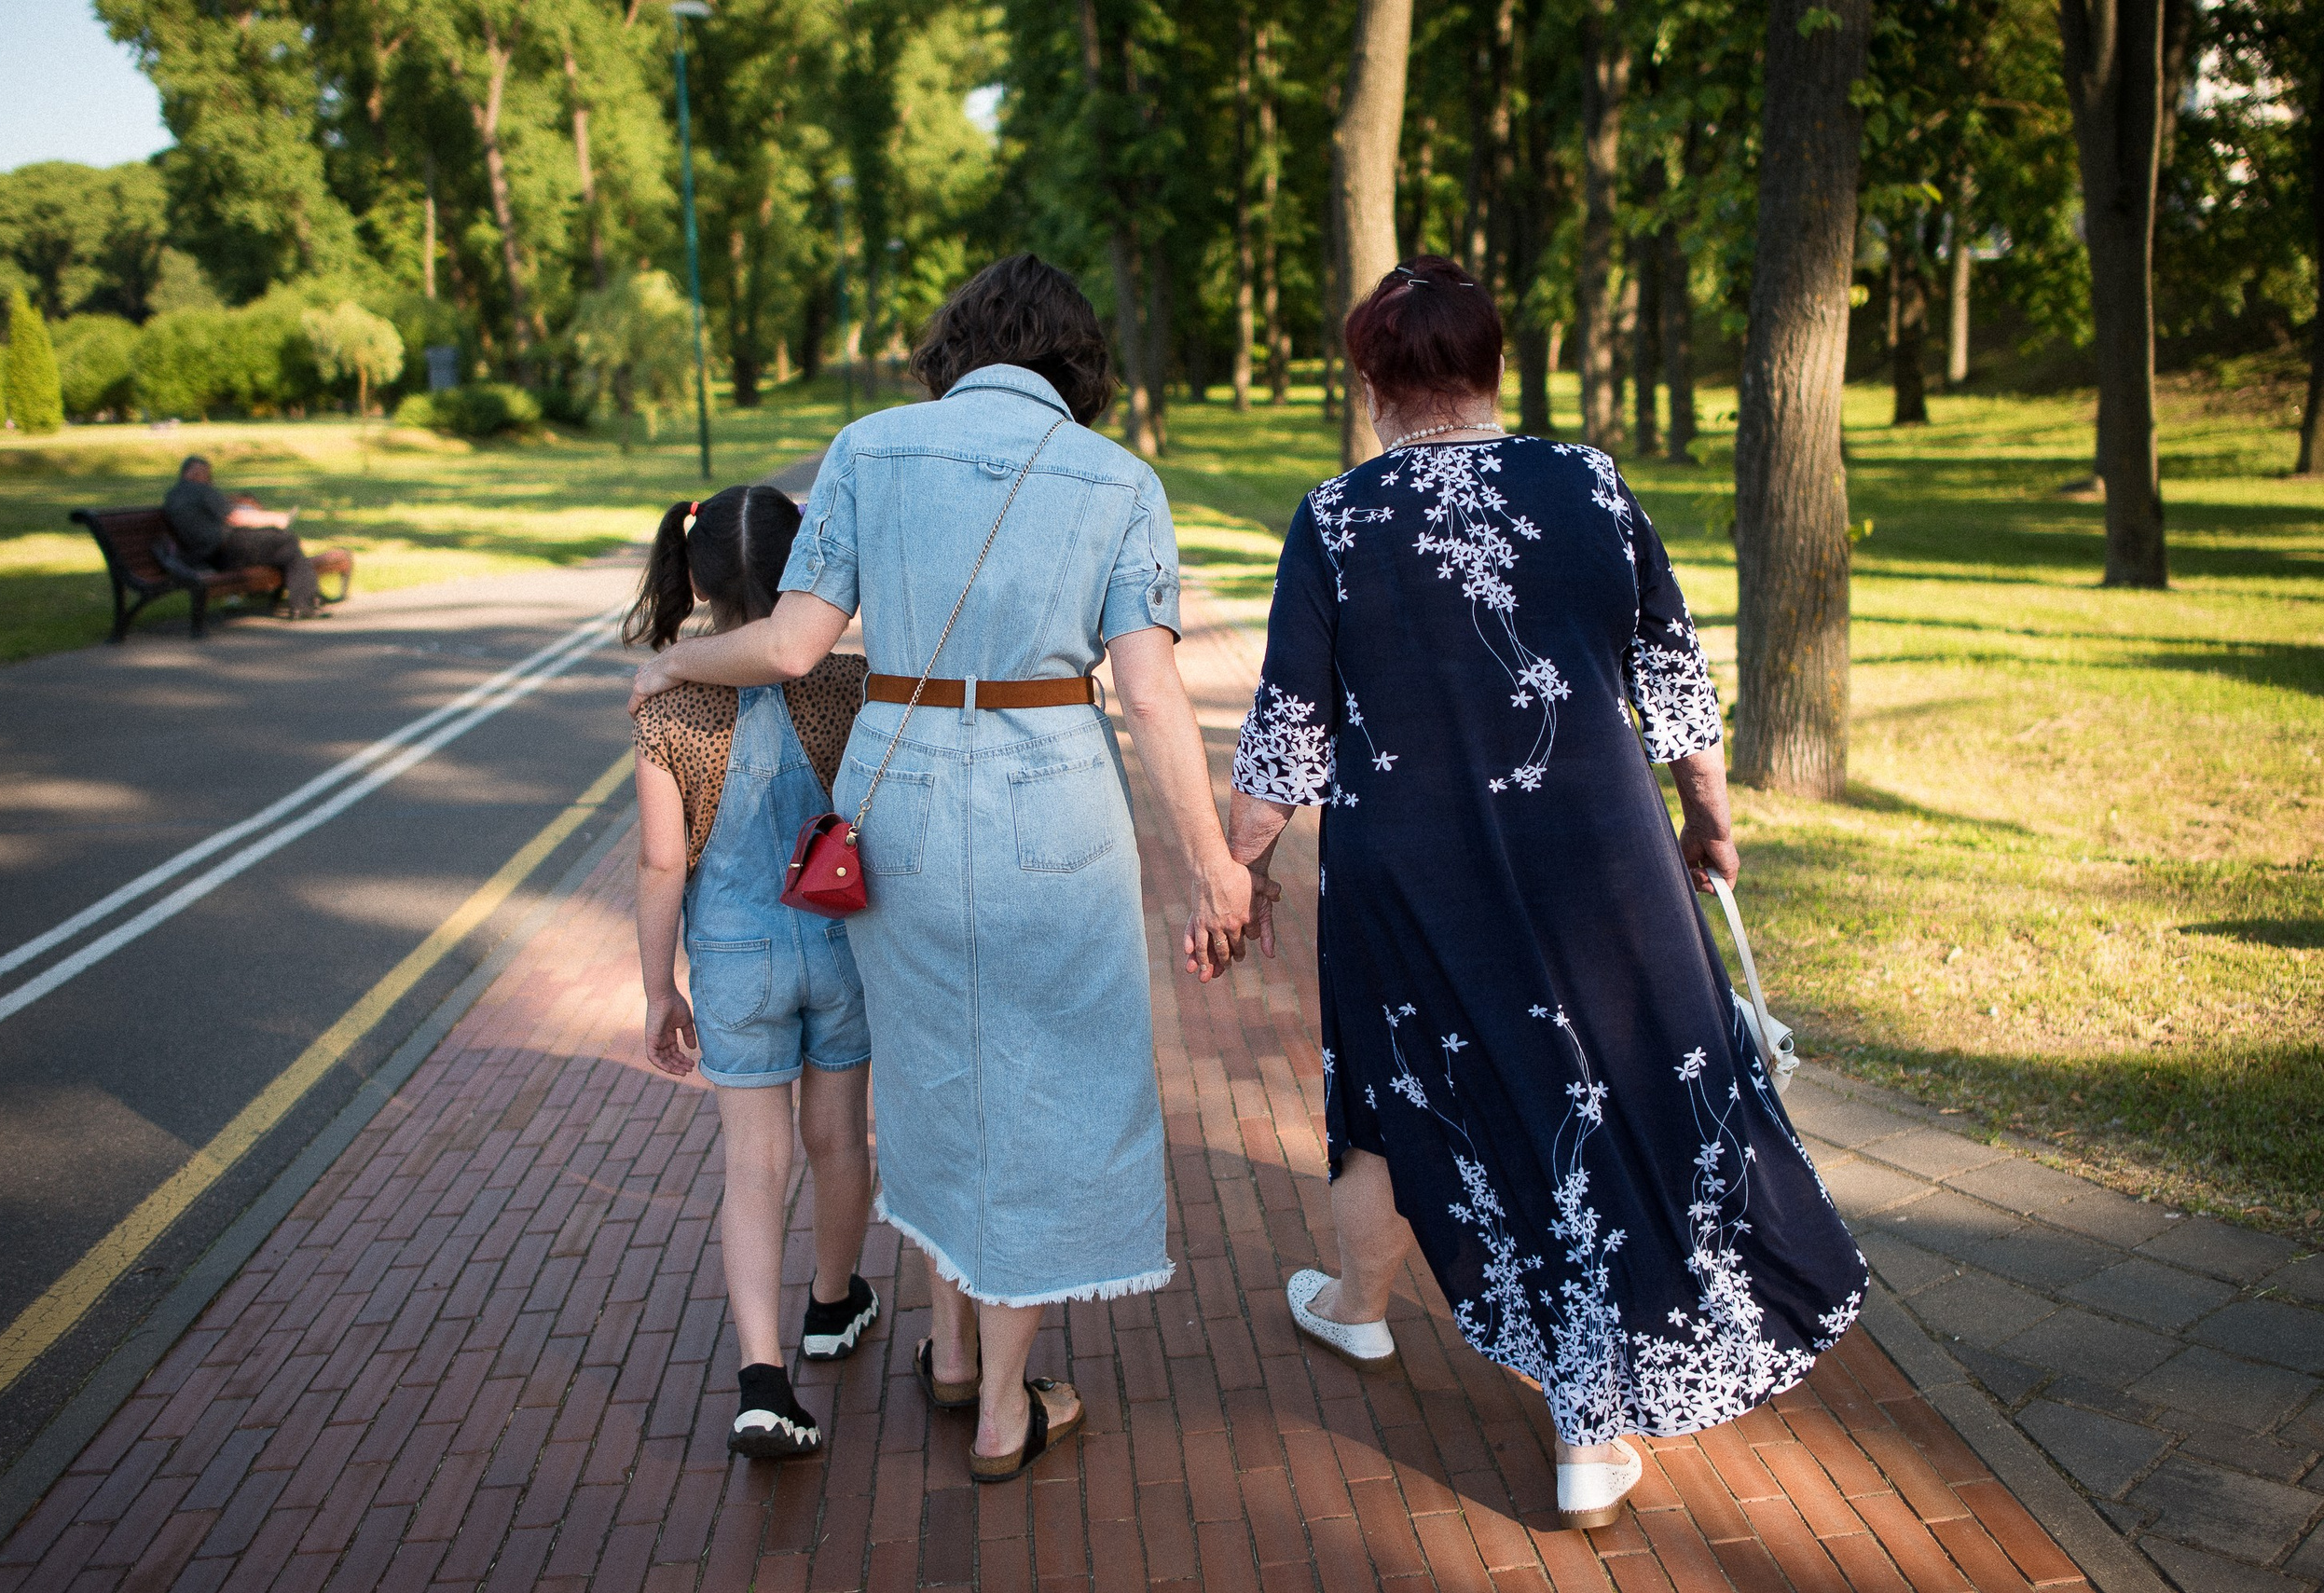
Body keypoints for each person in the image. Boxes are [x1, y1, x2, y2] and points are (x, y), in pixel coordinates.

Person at [1226, 257, 1867, 1531]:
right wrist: (1708, 822)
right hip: (1599, 856)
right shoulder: (1589, 482)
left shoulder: (1339, 518)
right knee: (1606, 1093)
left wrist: (1228, 870)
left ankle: (1372, 1315)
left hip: (1409, 874)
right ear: (1495, 370)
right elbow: (1676, 679)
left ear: (1373, 386)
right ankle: (1586, 1424)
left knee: (1395, 1091)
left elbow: (1287, 742)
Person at [628, 254, 1254, 1483]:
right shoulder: (1120, 479)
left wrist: (676, 669)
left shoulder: (868, 449)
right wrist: (1213, 863)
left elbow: (798, 642)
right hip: (1054, 803)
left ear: (953, 347)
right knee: (1036, 1089)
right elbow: (1150, 690)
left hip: (899, 806)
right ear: (1074, 360)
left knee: (926, 1076)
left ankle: (954, 1350)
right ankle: (1007, 1400)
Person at [626, 485, 883, 1461]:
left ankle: (763, 1378)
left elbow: (661, 865)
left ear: (695, 578)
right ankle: (831, 1303)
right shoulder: (846, 684)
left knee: (753, 1163)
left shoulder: (668, 704)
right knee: (838, 1136)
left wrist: (659, 985)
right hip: (838, 938)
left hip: (731, 958)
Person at [160, 455, 323, 618]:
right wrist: (277, 518)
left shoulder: (173, 495)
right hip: (229, 549)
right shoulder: (199, 490)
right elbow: (236, 517)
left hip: (210, 558)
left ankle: (305, 602)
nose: (208, 479)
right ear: (193, 473)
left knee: (288, 551)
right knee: (286, 539)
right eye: (206, 474)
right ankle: (305, 604)